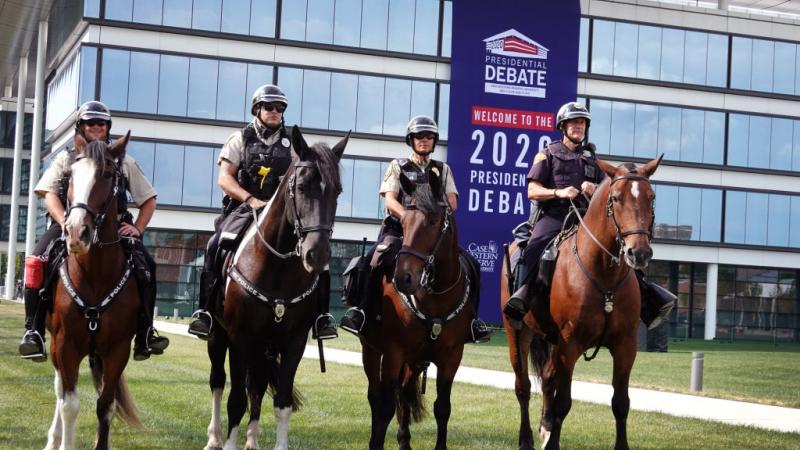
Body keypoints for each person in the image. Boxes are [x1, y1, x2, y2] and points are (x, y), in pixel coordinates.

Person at [502, 102, 675, 337]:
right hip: (554, 215)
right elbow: (532, 190)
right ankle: (521, 297)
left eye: (582, 123)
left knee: (622, 250)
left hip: (586, 217)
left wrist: (595, 189)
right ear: (563, 126)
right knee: (534, 247)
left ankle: (646, 300)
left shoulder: (592, 158)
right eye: (574, 122)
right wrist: (559, 192)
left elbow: (609, 193)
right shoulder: (548, 153)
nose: (578, 126)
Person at [19, 100, 169, 362]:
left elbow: (148, 199)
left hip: (114, 228)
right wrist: (64, 220)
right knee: (36, 259)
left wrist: (137, 227)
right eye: (90, 122)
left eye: (102, 123)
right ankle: (33, 330)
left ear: (108, 127)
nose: (97, 126)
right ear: (81, 126)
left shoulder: (123, 161)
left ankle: (146, 332)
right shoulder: (66, 158)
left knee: (147, 265)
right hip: (71, 224)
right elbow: (48, 193)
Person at [187, 84, 338, 340]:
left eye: (280, 108)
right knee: (214, 244)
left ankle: (322, 317)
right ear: (257, 109)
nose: (275, 111)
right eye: (269, 107)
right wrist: (250, 199)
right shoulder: (239, 139)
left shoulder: (293, 144)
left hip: (282, 214)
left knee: (318, 252)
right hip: (244, 208)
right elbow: (224, 178)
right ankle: (205, 312)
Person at [339, 115, 492, 344]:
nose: (424, 140)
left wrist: (430, 218)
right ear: (410, 140)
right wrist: (408, 218)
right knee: (374, 259)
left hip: (431, 233)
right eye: (419, 136)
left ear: (434, 141)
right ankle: (362, 313)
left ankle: (472, 323)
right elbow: (390, 200)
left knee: (472, 264)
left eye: (428, 136)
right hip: (399, 230)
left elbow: (452, 202)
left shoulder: (443, 169)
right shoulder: (398, 166)